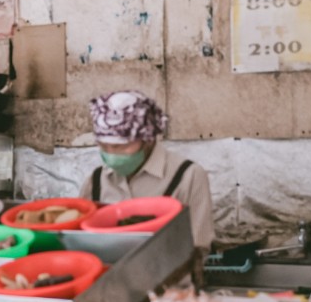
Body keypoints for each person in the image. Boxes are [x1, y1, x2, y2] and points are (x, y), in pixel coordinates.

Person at [80, 90, 215, 252]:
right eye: (104, 146)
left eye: (121, 146)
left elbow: (198, 246)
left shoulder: (188, 176)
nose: (111, 153)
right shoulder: (95, 182)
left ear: (148, 139)